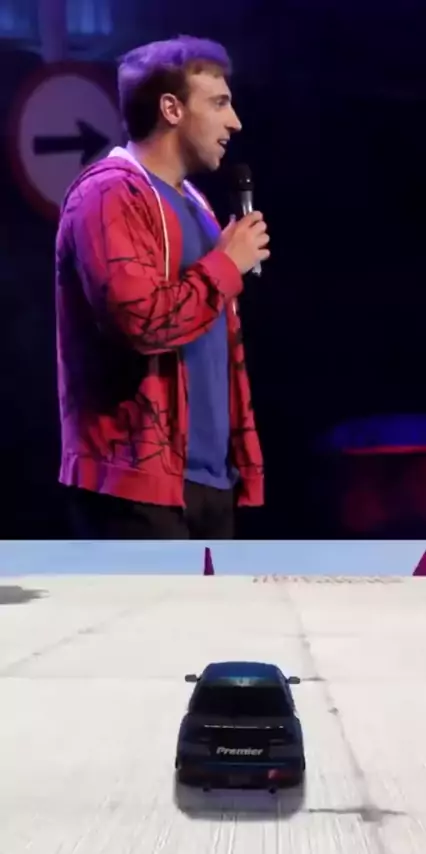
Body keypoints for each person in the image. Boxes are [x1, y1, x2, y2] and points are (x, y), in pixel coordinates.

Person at [55, 35, 270, 539]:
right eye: (219, 103)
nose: (235, 122)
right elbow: (141, 321)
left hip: (209, 479)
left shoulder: (195, 201)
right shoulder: (109, 193)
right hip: (135, 481)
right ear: (171, 109)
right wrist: (225, 265)